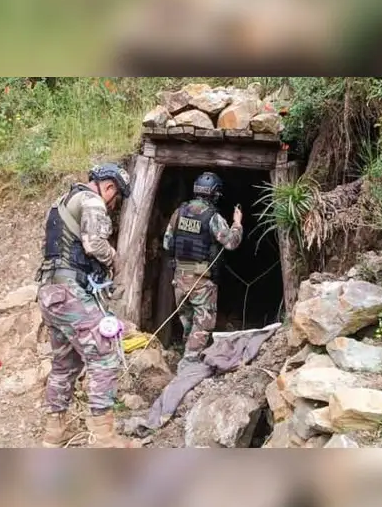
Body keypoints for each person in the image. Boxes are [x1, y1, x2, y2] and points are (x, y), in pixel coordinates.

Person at [34, 163, 145, 448]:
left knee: (65, 363)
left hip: (50, 292)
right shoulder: (93, 201)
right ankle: (105, 440)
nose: (113, 203)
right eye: (116, 197)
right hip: (70, 292)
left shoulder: (60, 204)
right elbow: (94, 244)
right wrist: (115, 259)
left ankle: (54, 433)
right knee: (105, 355)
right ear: (109, 187)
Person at [163, 171, 243, 371]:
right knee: (203, 324)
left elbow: (166, 243)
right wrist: (237, 223)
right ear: (214, 193)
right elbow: (231, 243)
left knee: (188, 322)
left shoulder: (178, 212)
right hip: (201, 279)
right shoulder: (212, 216)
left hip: (179, 277)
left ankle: (188, 354)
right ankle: (189, 364)